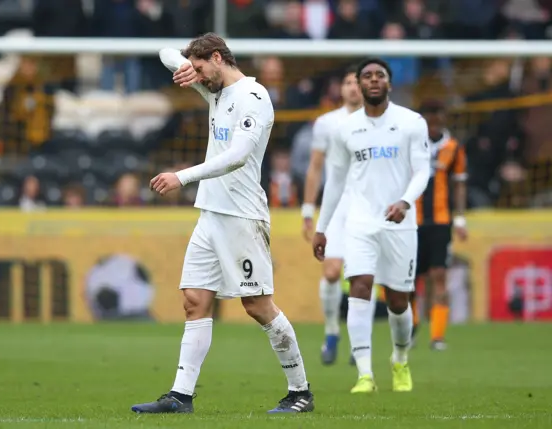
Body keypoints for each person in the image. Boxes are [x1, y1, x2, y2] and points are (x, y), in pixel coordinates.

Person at [131, 33, 314, 414]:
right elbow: (164, 52)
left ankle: (300, 392)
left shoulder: (254, 97)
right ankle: (181, 396)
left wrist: (182, 176)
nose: (198, 76)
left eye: (200, 68)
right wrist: (184, 66)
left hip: (242, 216)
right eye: (194, 69)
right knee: (194, 301)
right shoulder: (212, 89)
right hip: (210, 214)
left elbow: (237, 156)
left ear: (218, 58)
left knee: (258, 305)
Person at [312, 58, 431, 394]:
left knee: (397, 301)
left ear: (389, 84)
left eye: (380, 75)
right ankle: (365, 374)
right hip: (360, 223)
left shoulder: (411, 122)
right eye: (367, 76)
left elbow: (423, 171)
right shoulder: (345, 129)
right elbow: (334, 181)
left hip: (400, 224)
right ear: (358, 86)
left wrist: (405, 201)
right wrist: (322, 227)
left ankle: (400, 358)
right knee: (360, 288)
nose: (374, 80)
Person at [301, 65, 377, 366]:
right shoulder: (326, 123)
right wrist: (308, 209)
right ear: (340, 89)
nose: (352, 88)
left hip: (368, 205)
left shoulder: (380, 123)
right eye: (347, 82)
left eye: (356, 83)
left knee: (364, 275)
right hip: (336, 204)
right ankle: (332, 330)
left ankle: (361, 341)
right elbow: (316, 167)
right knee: (331, 271)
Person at [411, 100, 468, 351]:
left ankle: (437, 336)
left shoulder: (453, 148)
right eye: (429, 118)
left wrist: (461, 218)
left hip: (441, 221)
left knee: (439, 275)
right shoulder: (411, 144)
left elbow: (459, 184)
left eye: (437, 117)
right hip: (412, 221)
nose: (433, 123)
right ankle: (410, 329)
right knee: (410, 279)